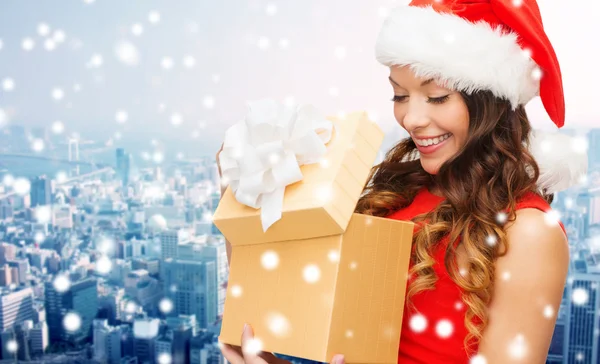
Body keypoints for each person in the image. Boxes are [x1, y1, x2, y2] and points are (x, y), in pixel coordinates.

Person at [216, 0, 587, 363]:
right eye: (400, 94)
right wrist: (244, 193)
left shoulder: (529, 232)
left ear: (491, 101)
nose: (411, 118)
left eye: (437, 97)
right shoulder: (397, 194)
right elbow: (287, 295)